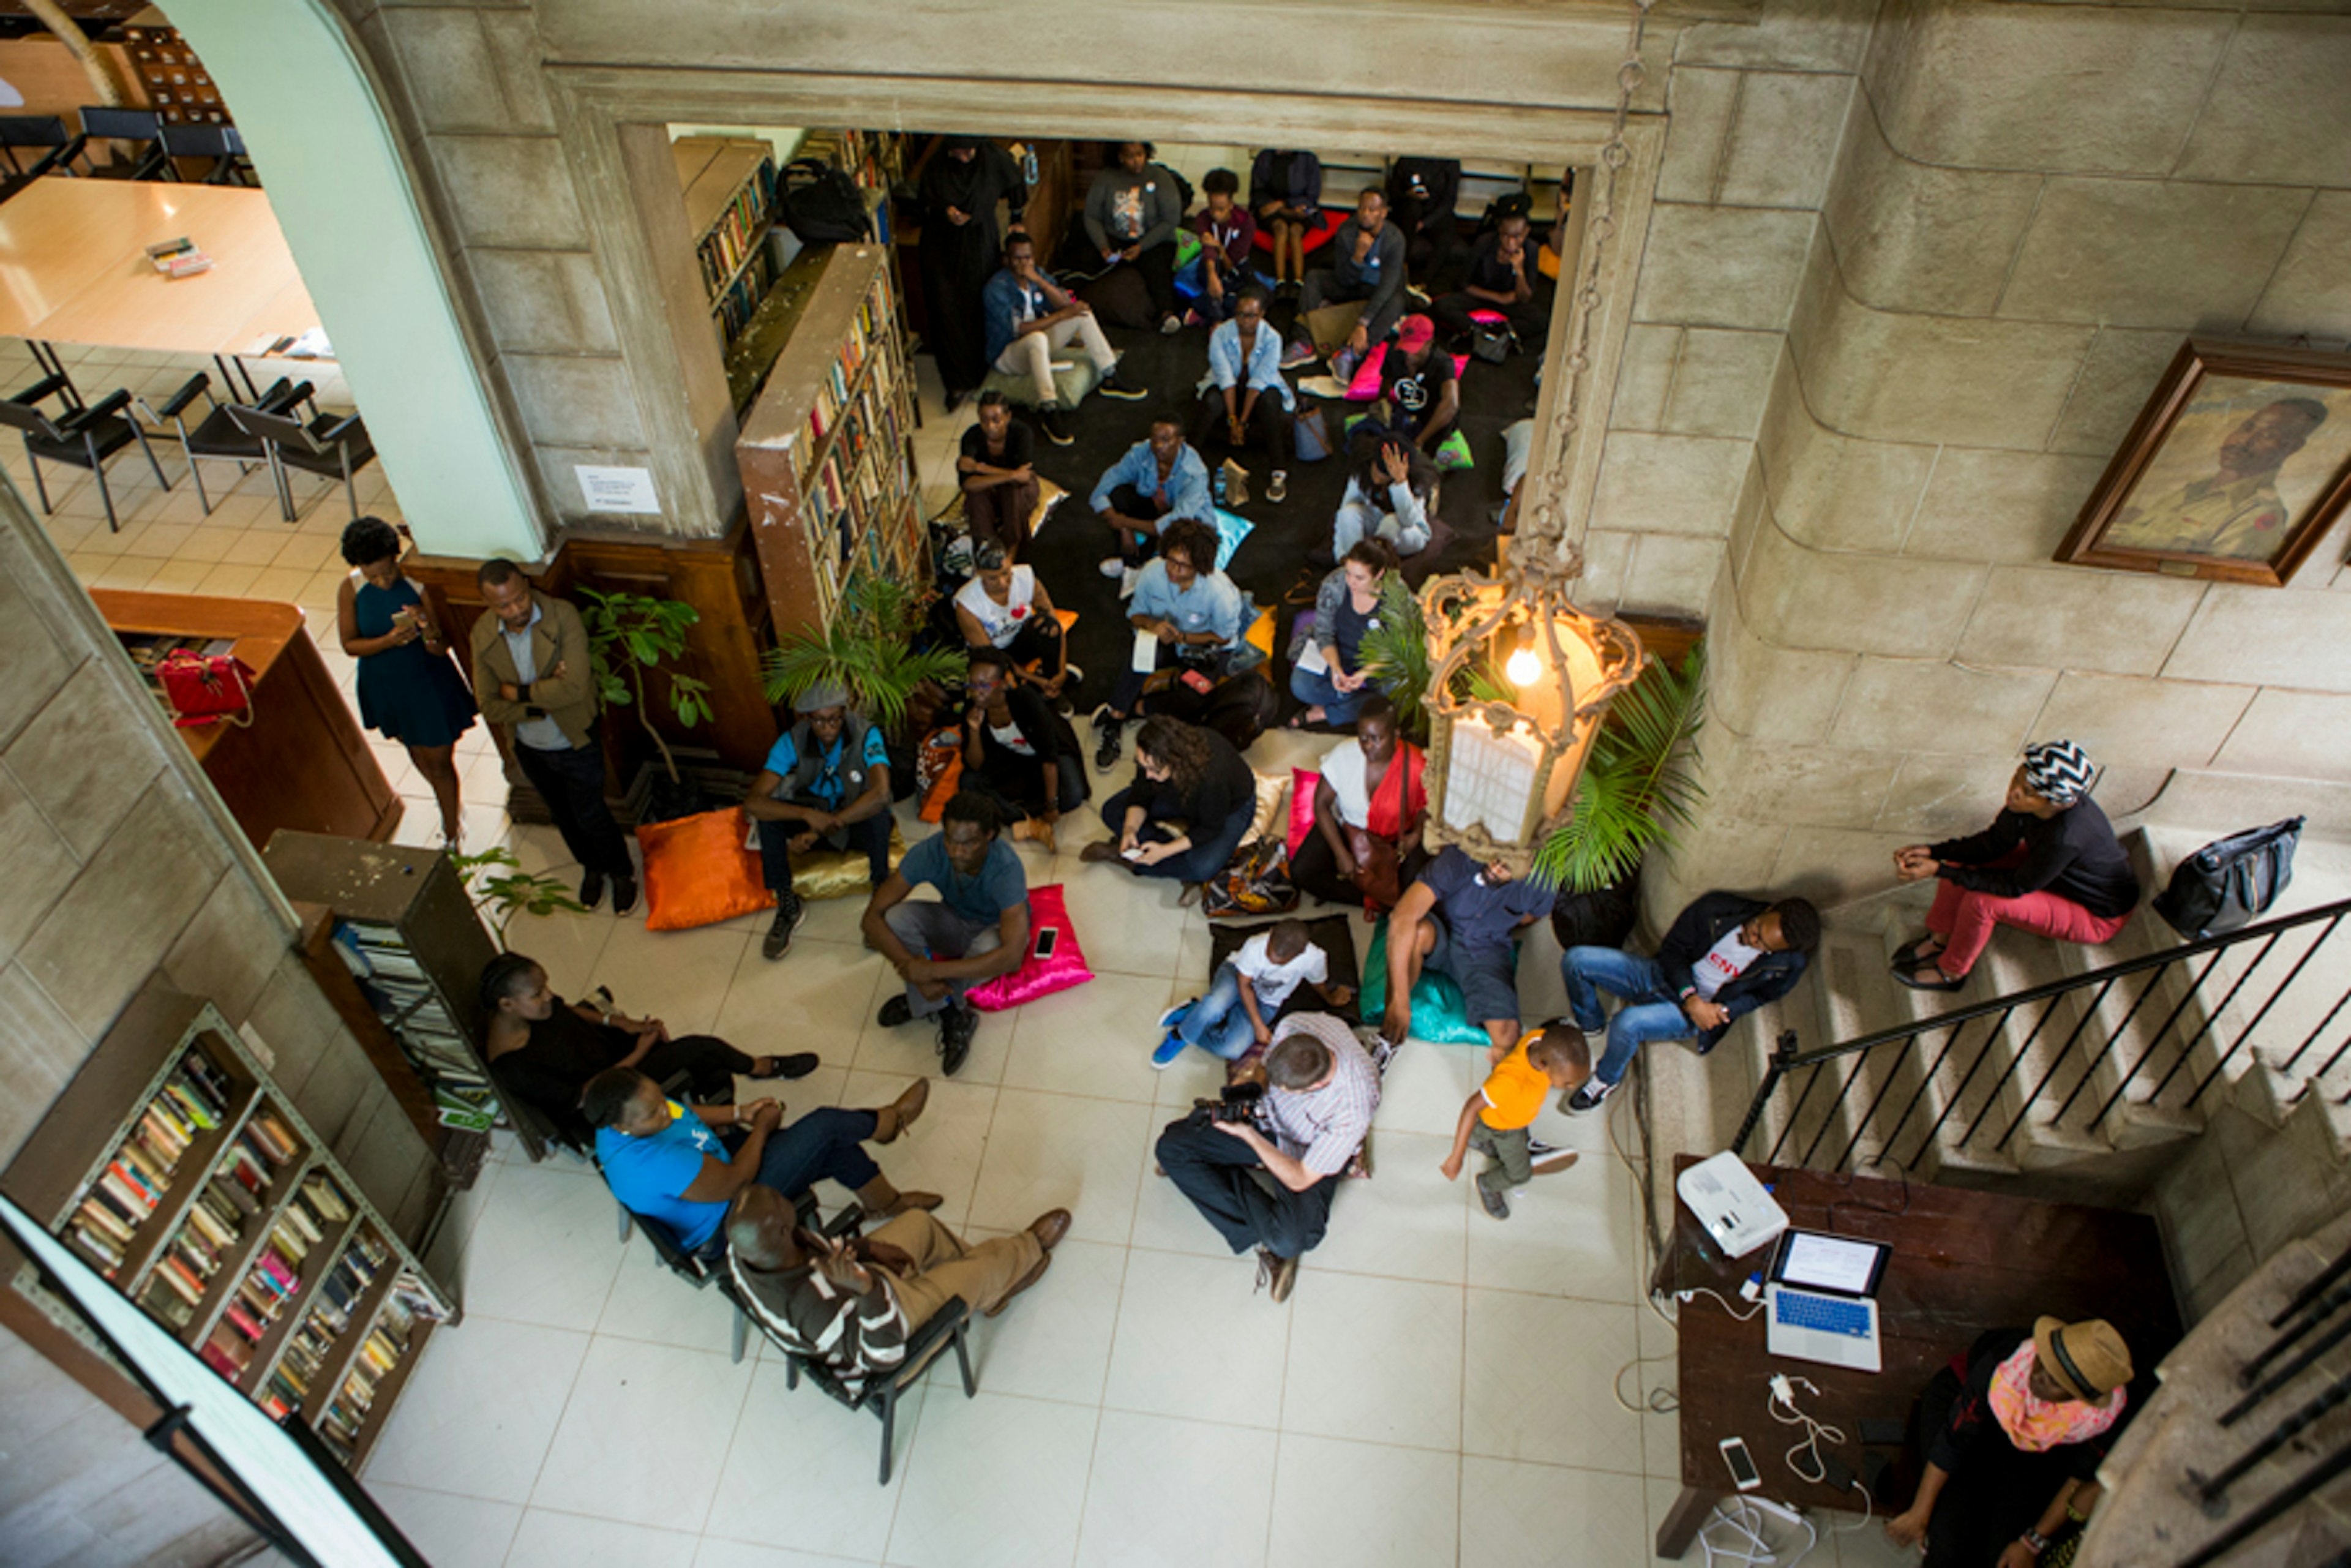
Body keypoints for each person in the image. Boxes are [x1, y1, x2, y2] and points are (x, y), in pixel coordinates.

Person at [585, 1065, 938, 1259]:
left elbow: (683, 1112)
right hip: (730, 1218)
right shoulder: (657, 1162)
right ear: (622, 1126)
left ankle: (885, 1202)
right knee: (826, 1126)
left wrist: (741, 1112)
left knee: (830, 1143)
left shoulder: (625, 1117)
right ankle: (889, 1124)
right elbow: (736, 1181)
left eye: (661, 1100)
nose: (664, 1113)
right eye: (652, 1114)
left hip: (716, 1165)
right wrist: (763, 1128)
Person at [479, 953, 816, 1150]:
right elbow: (588, 1097)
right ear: (506, 1004)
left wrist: (619, 1023)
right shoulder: (515, 1065)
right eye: (538, 993)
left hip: (608, 1054)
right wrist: (640, 1053)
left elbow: (572, 1011)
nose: (549, 996)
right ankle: (759, 1068)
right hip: (610, 1097)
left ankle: (724, 1126)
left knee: (709, 1067)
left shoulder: (534, 1009)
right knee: (702, 1048)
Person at [1153, 1011, 1379, 1302]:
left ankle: (1271, 1236)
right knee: (1171, 1147)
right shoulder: (1298, 1025)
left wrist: (1248, 1136)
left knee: (1292, 1240)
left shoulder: (1354, 1107)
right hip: (1268, 1120)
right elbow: (1263, 1070)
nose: (1278, 1090)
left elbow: (1301, 1177)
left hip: (1308, 1151)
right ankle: (1260, 1224)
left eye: (1287, 1090)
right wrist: (1251, 1089)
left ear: (1315, 1087)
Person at [726, 1187, 1070, 1374]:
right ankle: (1022, 1255)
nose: (784, 1195)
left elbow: (816, 1247)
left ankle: (990, 1287)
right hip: (886, 1326)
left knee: (919, 1223)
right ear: (783, 1231)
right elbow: (883, 1357)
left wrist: (867, 1247)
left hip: (859, 1286)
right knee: (976, 1272)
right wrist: (869, 1290)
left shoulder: (747, 1247)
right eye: (778, 1200)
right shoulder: (810, 1310)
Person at [1891, 740, 2139, 993]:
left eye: (2029, 792)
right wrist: (1934, 852)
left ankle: (1952, 972)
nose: (2015, 792)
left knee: (1982, 903)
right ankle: (1940, 937)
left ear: (2054, 802)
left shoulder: (2066, 838)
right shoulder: (2024, 806)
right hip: (2054, 874)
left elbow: (2014, 887)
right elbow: (1993, 844)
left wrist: (1938, 870)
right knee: (1962, 863)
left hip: (2096, 914)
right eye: (2018, 779)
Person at [1884, 1318, 2133, 1568]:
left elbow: (2076, 1478)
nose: (2038, 1377)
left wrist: (2030, 1544)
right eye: (2042, 1362)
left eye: (2055, 1382)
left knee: (2002, 1554)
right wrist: (1920, 1512)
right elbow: (1956, 1437)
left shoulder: (2099, 1421)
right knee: (1950, 1542)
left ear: (2079, 1397)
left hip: (2034, 1449)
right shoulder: (2009, 1359)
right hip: (1966, 1411)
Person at [471, 559, 636, 914]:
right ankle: (592, 869)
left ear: (526, 587)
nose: (515, 609)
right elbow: (489, 705)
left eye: (520, 598)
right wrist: (540, 700)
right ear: (489, 605)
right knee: (562, 814)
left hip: (574, 739)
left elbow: (575, 688)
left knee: (591, 812)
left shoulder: (562, 616)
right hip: (529, 747)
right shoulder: (483, 635)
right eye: (504, 605)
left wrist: (517, 693)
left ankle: (622, 873)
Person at [1559, 893, 1821, 1114]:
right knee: (1576, 960)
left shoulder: (1789, 964)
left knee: (1627, 1024)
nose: (1755, 942)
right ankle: (1590, 1024)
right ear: (1769, 909)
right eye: (1756, 932)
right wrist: (1690, 996)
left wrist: (1724, 1011)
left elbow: (1763, 996)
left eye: (1765, 946)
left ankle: (1606, 1079)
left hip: (1699, 1013)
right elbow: (1673, 950)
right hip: (1664, 977)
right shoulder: (1716, 909)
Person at [861, 790, 1031, 1076]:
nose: (956, 851)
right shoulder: (930, 852)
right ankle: (941, 1006)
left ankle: (946, 1010)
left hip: (991, 928)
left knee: (991, 946)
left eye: (968, 843)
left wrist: (931, 973)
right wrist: (911, 969)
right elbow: (872, 919)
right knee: (896, 918)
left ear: (989, 836)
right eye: (950, 840)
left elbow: (1013, 956)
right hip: (954, 919)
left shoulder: (1006, 867)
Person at [337, 517, 475, 847]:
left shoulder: (417, 584)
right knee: (415, 750)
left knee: (440, 762)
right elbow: (349, 644)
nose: (383, 582)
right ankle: (451, 804)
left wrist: (425, 625)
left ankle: (452, 830)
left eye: (388, 572)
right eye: (374, 576)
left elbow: (441, 648)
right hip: (385, 684)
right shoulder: (352, 588)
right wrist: (388, 641)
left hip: (428, 684)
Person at [745, 682, 894, 963]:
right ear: (807, 718)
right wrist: (806, 816)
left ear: (844, 712)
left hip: (850, 817)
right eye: (819, 720)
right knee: (767, 817)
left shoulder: (866, 734)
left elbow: (881, 792)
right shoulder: (792, 740)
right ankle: (787, 903)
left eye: (835, 718)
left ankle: (880, 894)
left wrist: (827, 825)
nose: (828, 728)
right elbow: (754, 801)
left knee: (878, 812)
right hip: (813, 812)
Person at [1089, 518, 1246, 770]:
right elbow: (1135, 614)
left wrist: (1183, 638)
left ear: (1200, 566)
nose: (1174, 570)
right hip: (1164, 637)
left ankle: (1137, 709)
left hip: (1204, 648)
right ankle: (1116, 718)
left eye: (1184, 566)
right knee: (1139, 653)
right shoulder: (1153, 572)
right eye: (1171, 560)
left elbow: (1223, 637)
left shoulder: (1220, 595)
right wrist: (1152, 626)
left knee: (1198, 695)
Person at [2102, 397, 2328, 560]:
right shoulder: (2193, 492)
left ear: (2293, 447)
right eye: (2246, 427)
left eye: (2267, 435)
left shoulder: (2257, 515)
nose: (2242, 441)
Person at [1383, 846, 1553, 1060]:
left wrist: (1497, 924)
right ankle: (1388, 1035)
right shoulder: (1462, 854)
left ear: (1528, 869)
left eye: (1507, 867)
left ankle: (1495, 1091)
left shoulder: (1543, 883)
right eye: (1495, 857)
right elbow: (1401, 917)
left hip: (1485, 949)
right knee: (1416, 933)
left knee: (1507, 1035)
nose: (1495, 867)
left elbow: (1531, 916)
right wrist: (1400, 1002)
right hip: (1440, 931)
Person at [982, 231, 1144, 447]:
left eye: (1028, 258)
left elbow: (1064, 304)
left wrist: (1040, 281)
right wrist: (1060, 316)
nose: (1024, 264)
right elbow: (1020, 330)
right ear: (1006, 260)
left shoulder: (1035, 275)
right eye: (1017, 258)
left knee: (1082, 314)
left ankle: (1110, 374)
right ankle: (1049, 407)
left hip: (1037, 343)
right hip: (1009, 353)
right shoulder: (996, 289)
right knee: (1037, 338)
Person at [1081, 714, 1257, 890]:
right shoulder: (1154, 754)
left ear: (1175, 762)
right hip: (1184, 796)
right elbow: (1141, 793)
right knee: (1112, 811)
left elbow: (1210, 828)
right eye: (1143, 766)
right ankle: (1161, 857)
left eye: (1153, 770)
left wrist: (1164, 851)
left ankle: (1134, 861)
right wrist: (1130, 829)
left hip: (1230, 807)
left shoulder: (1211, 779)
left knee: (1203, 867)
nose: (1148, 775)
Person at [1153, 917, 1355, 1067]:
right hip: (1237, 977)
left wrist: (1331, 998)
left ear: (1299, 953)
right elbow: (1244, 985)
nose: (1270, 960)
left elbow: (1317, 981)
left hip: (1267, 1001)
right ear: (1272, 932)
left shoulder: (1314, 957)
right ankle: (1179, 1036)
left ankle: (1194, 1013)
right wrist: (1259, 1025)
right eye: (1270, 954)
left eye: (1279, 962)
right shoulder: (1255, 945)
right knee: (1215, 1005)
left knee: (1232, 1049)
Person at [917, 135, 1027, 411]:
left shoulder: (991, 158)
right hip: (941, 248)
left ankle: (981, 375)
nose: (966, 159)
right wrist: (946, 211)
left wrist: (1016, 219)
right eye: (959, 153)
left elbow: (1015, 185)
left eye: (970, 153)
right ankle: (955, 383)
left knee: (978, 305)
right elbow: (924, 200)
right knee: (946, 312)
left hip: (979, 245)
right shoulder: (938, 165)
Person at [1290, 696, 1427, 913]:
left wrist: (1417, 835)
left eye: (1377, 739)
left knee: (1417, 888)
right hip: (1350, 830)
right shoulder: (1344, 755)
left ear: (1395, 735)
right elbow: (1321, 805)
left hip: (1396, 840)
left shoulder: (1416, 764)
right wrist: (1341, 854)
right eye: (1364, 739)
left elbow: (1427, 807)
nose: (1368, 746)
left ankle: (1383, 895)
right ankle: (1371, 898)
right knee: (1302, 871)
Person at [1439, 1022, 1589, 1220]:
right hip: (1507, 1128)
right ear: (1544, 1065)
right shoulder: (1509, 1081)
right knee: (1520, 1174)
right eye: (1567, 1083)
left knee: (1484, 1129)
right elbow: (1471, 1108)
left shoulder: (1539, 1039)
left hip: (1504, 1114)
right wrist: (1456, 1157)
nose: (1570, 1088)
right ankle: (1488, 1184)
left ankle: (1480, 1140)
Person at [958, 649, 1086, 848]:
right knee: (968, 782)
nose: (977, 692)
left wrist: (1051, 805)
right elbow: (976, 765)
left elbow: (1049, 755)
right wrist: (974, 731)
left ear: (1002, 684)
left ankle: (1014, 813)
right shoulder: (971, 710)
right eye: (972, 684)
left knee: (1073, 795)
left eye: (985, 685)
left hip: (1046, 755)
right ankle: (1026, 820)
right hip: (1011, 761)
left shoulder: (1026, 700)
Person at [1193, 287, 1291, 503]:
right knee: (1211, 401)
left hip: (1258, 393)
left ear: (1262, 315)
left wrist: (1243, 422)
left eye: (1251, 316)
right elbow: (1225, 377)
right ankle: (1189, 458)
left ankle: (1278, 471)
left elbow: (1259, 381)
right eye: (1240, 314)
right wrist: (1232, 419)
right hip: (1230, 390)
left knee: (1270, 400)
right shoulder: (1220, 333)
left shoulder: (1273, 338)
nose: (1245, 321)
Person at [1089, 411, 1213, 580]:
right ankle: (1130, 561)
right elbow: (1102, 489)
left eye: (1166, 440)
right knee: (1118, 494)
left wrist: (1124, 522)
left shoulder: (1195, 473)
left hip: (1184, 521)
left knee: (1187, 537)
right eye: (1155, 439)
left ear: (1180, 441)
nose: (1158, 446)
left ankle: (1145, 564)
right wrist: (1123, 527)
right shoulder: (1141, 452)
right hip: (1154, 509)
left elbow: (1177, 520)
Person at [1289, 537, 1400, 728]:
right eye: (1348, 573)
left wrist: (1366, 672)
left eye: (1359, 578)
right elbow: (1324, 633)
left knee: (1399, 691)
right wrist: (1335, 668)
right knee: (1301, 685)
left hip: (1376, 660)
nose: (1351, 582)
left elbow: (1395, 648)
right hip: (1338, 650)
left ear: (1379, 574)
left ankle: (1327, 712)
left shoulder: (1396, 595)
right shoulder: (1334, 585)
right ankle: (1362, 705)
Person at [1084, 140, 1184, 334]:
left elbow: (1170, 220)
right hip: (1115, 238)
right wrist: (1103, 246)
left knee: (1157, 268)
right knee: (1086, 260)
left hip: (1153, 240)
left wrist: (1142, 246)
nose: (1137, 161)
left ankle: (1167, 313)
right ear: (1120, 157)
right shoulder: (1106, 178)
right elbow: (1091, 216)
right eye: (1130, 156)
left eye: (1140, 155)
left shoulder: (1160, 178)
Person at [952, 539, 1071, 700]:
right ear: (979, 573)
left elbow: (1054, 623)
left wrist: (1061, 670)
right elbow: (992, 656)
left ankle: (1053, 685)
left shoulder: (1026, 578)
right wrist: (1036, 680)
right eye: (993, 578)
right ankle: (1038, 685)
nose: (1003, 583)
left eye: (1006, 573)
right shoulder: (966, 605)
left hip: (1022, 640)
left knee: (1049, 628)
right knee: (1007, 688)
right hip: (996, 652)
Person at [1300, 188, 1408, 358]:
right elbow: (1343, 279)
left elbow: (1388, 286)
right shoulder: (1346, 232)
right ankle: (1305, 340)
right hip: (1353, 286)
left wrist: (1363, 323)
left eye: (1372, 210)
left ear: (1383, 213)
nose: (1366, 214)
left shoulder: (1395, 239)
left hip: (1376, 290)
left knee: (1396, 301)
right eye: (1362, 208)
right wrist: (1358, 257)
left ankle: (1353, 351)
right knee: (1314, 277)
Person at [1430, 212, 1548, 353]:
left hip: (1510, 304)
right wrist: (1499, 298)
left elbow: (1525, 297)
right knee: (1442, 306)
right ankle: (1480, 331)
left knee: (1540, 320)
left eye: (1517, 237)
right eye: (1506, 236)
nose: (1511, 243)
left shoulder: (1531, 249)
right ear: (1499, 231)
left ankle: (1495, 332)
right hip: (1480, 296)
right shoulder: (1484, 243)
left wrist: (1520, 272)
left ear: (1526, 232)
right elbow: (1464, 284)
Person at [955, 391, 1040, 557]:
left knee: (1013, 494)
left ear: (1008, 417)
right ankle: (987, 549)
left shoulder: (1022, 433)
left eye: (996, 420)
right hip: (991, 487)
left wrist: (981, 469)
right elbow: (968, 484)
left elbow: (1024, 478)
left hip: (1017, 488)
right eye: (984, 421)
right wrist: (1010, 475)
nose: (990, 426)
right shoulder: (971, 437)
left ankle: (1012, 549)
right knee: (976, 498)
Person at [1333, 426, 1438, 557]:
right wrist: (1341, 554)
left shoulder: (1417, 482)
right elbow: (1344, 516)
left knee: (1391, 522)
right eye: (1377, 470)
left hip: (1406, 532)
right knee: (1349, 512)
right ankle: (1352, 561)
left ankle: (1374, 565)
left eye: (1386, 475)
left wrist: (1401, 483)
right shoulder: (1361, 471)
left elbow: (1408, 521)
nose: (1379, 478)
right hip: (1374, 522)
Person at [1378, 313, 1460, 454]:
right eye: (1406, 348)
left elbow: (1451, 404)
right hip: (1407, 410)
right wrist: (1382, 402)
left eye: (1415, 350)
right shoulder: (1394, 353)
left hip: (1432, 419)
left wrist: (1419, 441)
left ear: (1430, 343)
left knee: (1421, 463)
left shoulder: (1443, 363)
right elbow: (1386, 379)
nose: (1409, 356)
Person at [1248, 148, 1323, 294]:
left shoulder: (1309, 159)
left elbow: (1312, 195)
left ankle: (1298, 281)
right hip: (1273, 211)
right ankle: (1280, 280)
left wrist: (1285, 204)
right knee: (1281, 228)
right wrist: (1277, 208)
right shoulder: (1264, 158)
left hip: (1299, 210)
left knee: (1295, 230)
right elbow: (1258, 191)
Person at [1191, 167, 1256, 324]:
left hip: (1234, 267)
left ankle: (1203, 308)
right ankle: (1218, 319)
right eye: (1212, 208)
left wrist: (1219, 247)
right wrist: (1213, 275)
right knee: (1207, 274)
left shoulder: (1246, 222)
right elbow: (1208, 251)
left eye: (1221, 209)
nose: (1216, 215)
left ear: (1231, 204)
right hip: (1212, 267)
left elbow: (1233, 263)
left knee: (1246, 286)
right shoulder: (1202, 218)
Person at [1385, 157, 1462, 283]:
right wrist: (1408, 194)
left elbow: (1449, 201)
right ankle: (1400, 272)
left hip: (1436, 212)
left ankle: (1425, 282)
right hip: (1408, 210)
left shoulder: (1450, 163)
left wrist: (1425, 223)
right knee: (1411, 212)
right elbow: (1393, 196)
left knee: (1446, 235)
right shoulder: (1406, 161)